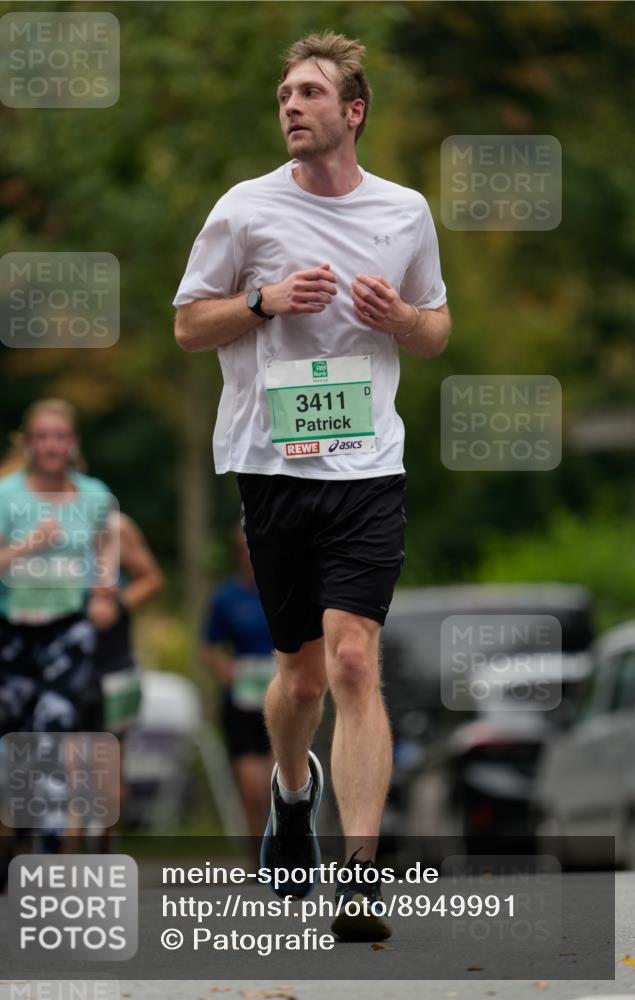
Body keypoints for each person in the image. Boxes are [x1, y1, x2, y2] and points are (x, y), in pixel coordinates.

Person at [173, 31, 450, 941]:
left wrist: (401, 317)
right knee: (296, 680)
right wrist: (261, 303)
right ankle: (293, 798)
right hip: (270, 466)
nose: (290, 106)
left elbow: (436, 329)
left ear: (352, 110)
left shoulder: (404, 211)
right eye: (283, 94)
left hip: (368, 465)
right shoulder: (245, 210)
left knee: (353, 660)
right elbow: (188, 326)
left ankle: (359, 878)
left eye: (307, 93)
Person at [0, 399, 116, 866]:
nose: (52, 445)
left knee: (53, 731)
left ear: (72, 444)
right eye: (42, 437)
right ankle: (16, 837)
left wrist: (103, 597)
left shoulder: (95, 496)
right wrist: (27, 545)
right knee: (17, 743)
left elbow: (106, 561)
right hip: (11, 632)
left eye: (60, 436)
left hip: (67, 632)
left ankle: (50, 852)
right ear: (29, 444)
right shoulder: (3, 495)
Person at [92, 511, 165, 844]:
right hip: (58, 662)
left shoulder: (114, 526)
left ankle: (105, 842)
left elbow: (152, 578)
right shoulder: (34, 523)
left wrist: (117, 605)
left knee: (108, 763)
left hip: (112, 663)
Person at [202, 525, 275, 852]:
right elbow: (209, 647)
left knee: (278, 781)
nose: (249, 552)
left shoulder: (283, 587)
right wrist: (227, 670)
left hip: (280, 697)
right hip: (242, 699)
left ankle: (285, 849)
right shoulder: (226, 597)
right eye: (243, 547)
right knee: (250, 788)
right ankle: (256, 853)